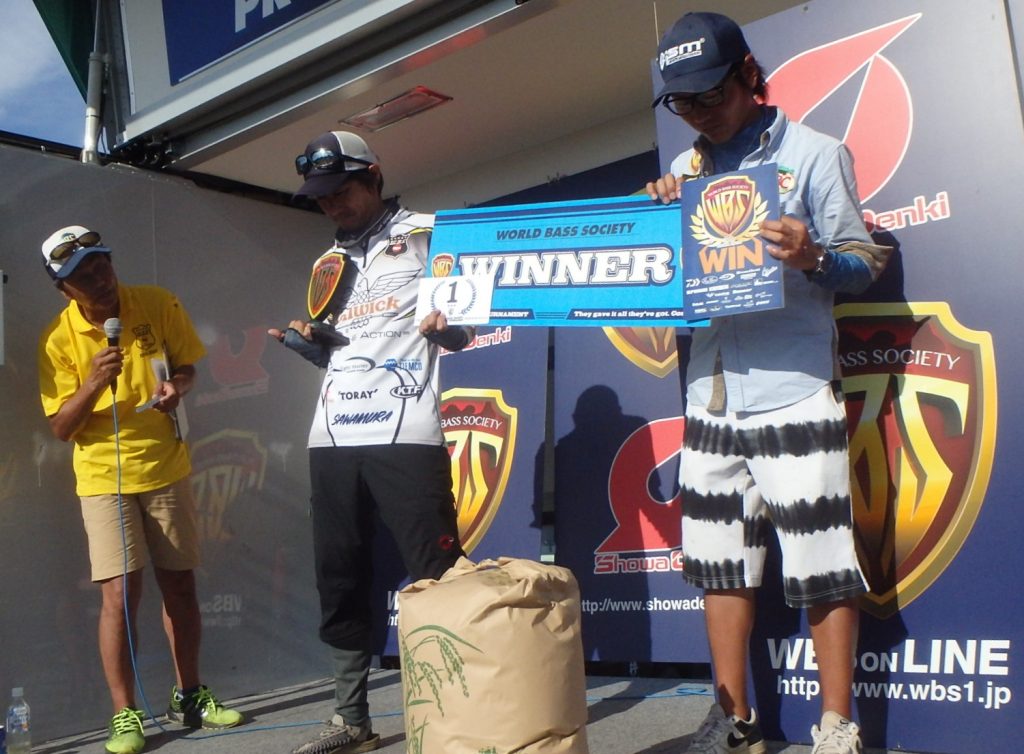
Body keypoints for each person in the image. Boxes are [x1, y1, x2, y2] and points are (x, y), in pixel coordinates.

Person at [646, 12, 891, 754]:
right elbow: (666, 285)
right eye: (682, 102)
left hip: (795, 386)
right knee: (719, 565)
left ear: (750, 75)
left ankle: (837, 726)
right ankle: (736, 720)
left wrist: (814, 256)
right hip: (710, 394)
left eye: (711, 94)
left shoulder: (816, 153)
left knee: (822, 563)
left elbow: (863, 262)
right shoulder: (683, 171)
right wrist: (656, 225)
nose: (699, 112)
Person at [269, 131, 473, 754]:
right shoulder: (325, 263)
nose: (331, 203)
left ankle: (462, 716)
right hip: (331, 433)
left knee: (436, 572)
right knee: (338, 574)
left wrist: (451, 329)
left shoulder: (428, 233)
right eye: (320, 195)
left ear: (375, 176)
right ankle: (350, 721)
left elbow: (464, 326)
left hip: (405, 428)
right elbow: (340, 348)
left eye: (341, 189)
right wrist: (312, 346)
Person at [36, 226, 243, 754]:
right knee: (120, 596)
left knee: (181, 584)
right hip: (104, 478)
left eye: (102, 265)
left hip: (165, 465)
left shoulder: (156, 302)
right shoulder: (57, 340)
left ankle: (189, 695)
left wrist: (178, 387)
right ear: (64, 289)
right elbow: (61, 428)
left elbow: (187, 367)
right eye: (84, 277)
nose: (101, 280)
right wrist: (92, 382)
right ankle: (124, 714)